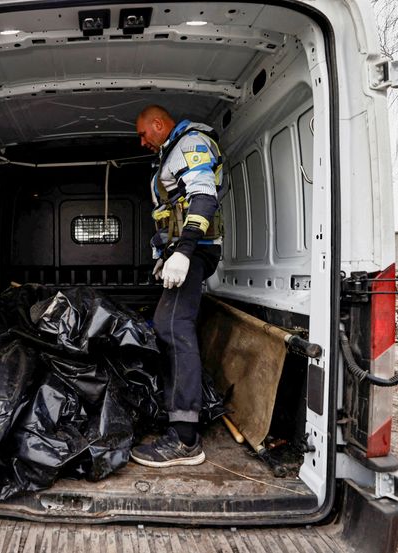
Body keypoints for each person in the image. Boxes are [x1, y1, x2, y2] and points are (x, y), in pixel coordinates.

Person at [130, 105, 223, 468]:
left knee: (174, 328)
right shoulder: (169, 154)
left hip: (195, 251)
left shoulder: (191, 144)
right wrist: (163, 253)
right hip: (183, 251)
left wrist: (184, 252)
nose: (142, 142)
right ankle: (177, 418)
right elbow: (170, 211)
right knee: (166, 327)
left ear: (157, 123)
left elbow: (204, 198)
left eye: (143, 134)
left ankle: (185, 440)